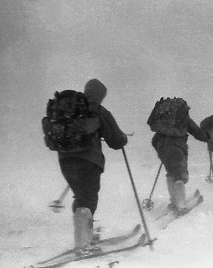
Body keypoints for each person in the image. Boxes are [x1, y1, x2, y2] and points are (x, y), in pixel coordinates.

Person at [57, 79, 128, 254]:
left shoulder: (69, 108)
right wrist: (124, 139)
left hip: (65, 160)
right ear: (101, 95)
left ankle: (84, 237)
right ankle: (83, 245)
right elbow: (116, 140)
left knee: (81, 197)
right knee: (87, 199)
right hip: (89, 161)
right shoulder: (98, 110)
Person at [150, 98, 209, 215]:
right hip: (177, 149)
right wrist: (208, 137)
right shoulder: (183, 119)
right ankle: (181, 206)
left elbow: (154, 140)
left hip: (162, 149)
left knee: (171, 173)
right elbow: (198, 133)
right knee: (179, 175)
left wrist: (161, 149)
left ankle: (174, 202)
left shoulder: (162, 121)